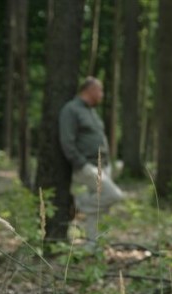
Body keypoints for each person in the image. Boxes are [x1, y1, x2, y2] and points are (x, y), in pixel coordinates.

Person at [59, 77, 124, 246]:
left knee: (98, 211)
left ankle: (92, 247)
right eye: (100, 91)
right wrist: (82, 164)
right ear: (90, 90)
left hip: (102, 166)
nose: (102, 95)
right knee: (114, 196)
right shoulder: (71, 109)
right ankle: (76, 205)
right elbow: (67, 141)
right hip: (86, 167)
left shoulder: (91, 112)